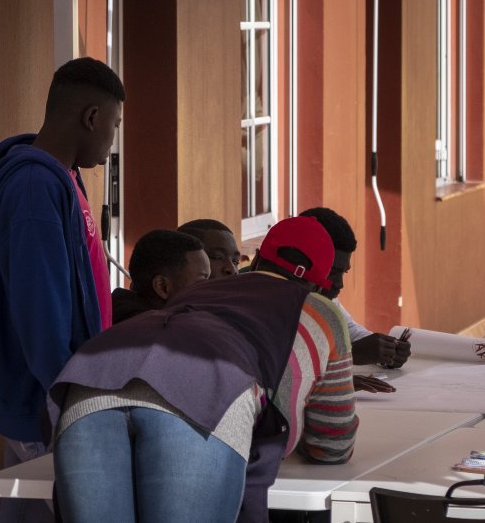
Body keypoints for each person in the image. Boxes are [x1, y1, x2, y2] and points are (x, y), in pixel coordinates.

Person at [49, 216, 358, 522]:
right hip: (200, 387)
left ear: (259, 257)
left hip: (93, 375)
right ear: (318, 284)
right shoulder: (319, 309)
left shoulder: (203, 290)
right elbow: (332, 443)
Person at [0, 57, 123, 522]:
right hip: (49, 399)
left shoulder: (64, 176)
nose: (112, 139)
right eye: (114, 124)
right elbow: (41, 315)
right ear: (91, 117)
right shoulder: (33, 186)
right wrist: (68, 401)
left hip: (59, 391)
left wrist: (10, 279)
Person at [299, 207, 411, 369]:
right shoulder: (267, 303)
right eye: (332, 272)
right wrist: (349, 355)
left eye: (344, 272)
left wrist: (384, 348)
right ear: (304, 264)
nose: (340, 284)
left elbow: (347, 329)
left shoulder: (319, 294)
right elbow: (287, 370)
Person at [111, 229, 211, 324]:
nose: (210, 288)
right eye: (201, 282)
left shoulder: (117, 316)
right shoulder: (157, 333)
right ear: (162, 286)